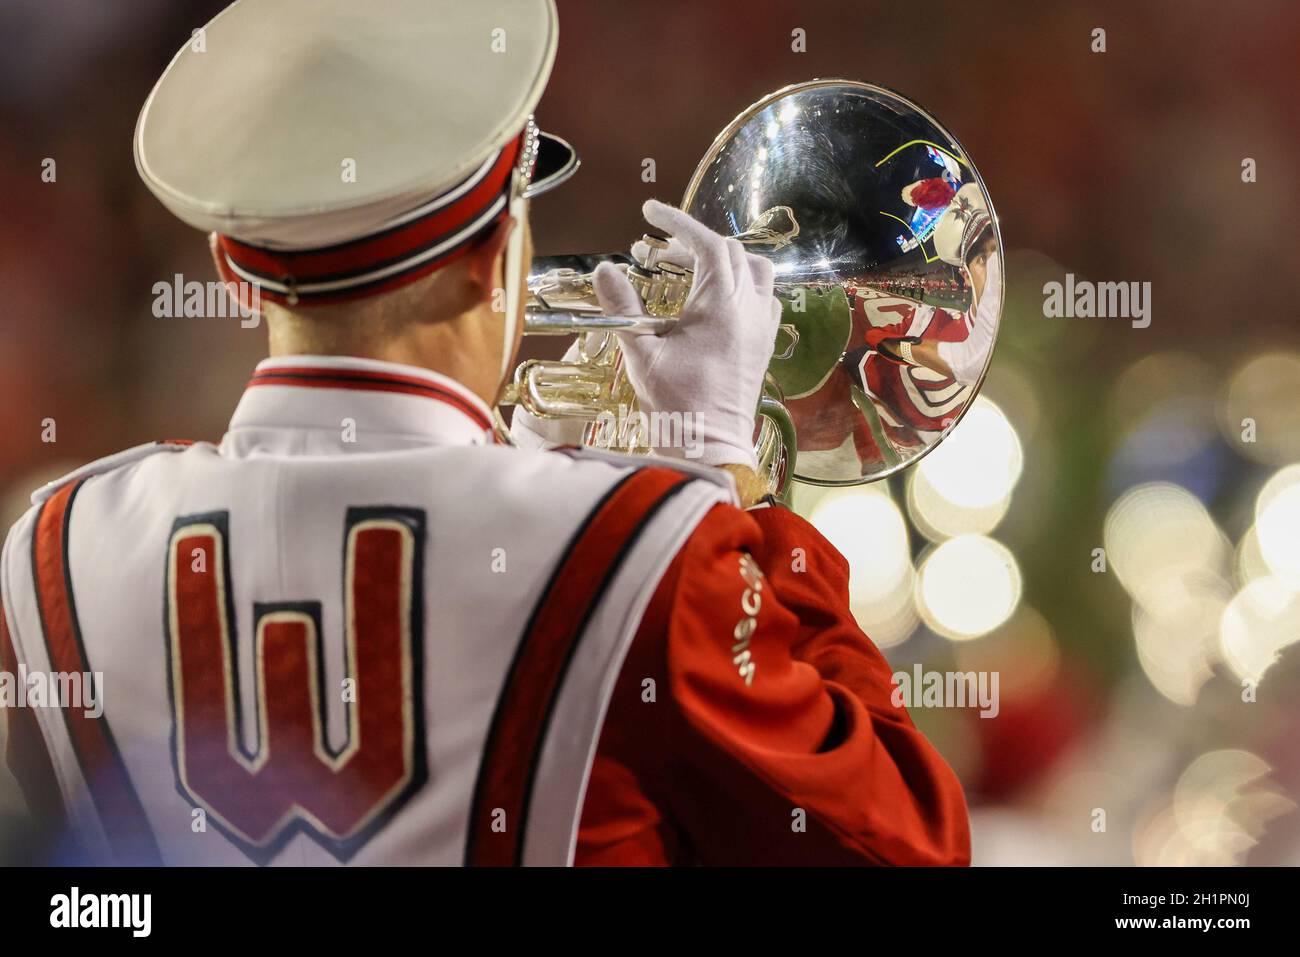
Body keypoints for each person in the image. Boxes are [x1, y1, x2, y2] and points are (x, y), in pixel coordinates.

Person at [0, 0, 969, 866]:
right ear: (494, 254)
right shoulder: (643, 543)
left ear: (231, 268)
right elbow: (907, 843)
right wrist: (718, 485)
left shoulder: (53, 547)